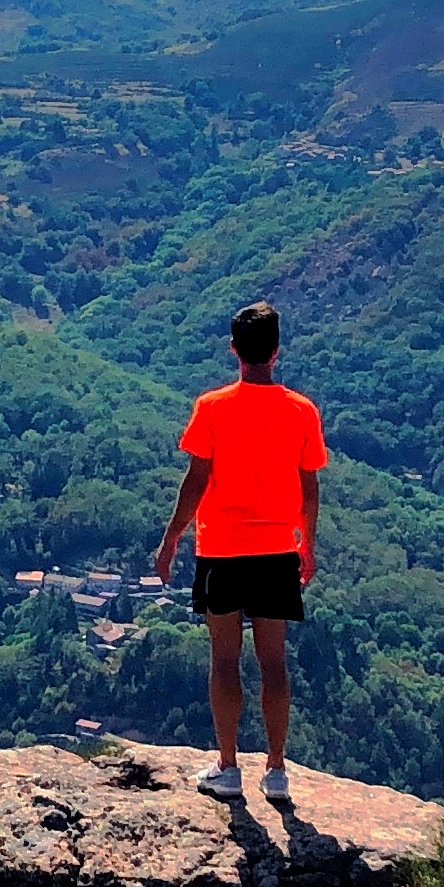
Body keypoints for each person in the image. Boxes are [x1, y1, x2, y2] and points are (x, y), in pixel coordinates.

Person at [149, 299, 327, 801]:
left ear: (234, 350)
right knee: (274, 663)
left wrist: (171, 539)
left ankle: (228, 767)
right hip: (276, 549)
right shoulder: (301, 411)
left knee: (224, 660)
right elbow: (308, 487)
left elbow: (196, 480)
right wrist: (306, 545)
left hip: (223, 549)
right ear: (276, 351)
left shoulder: (212, 408)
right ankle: (275, 770)